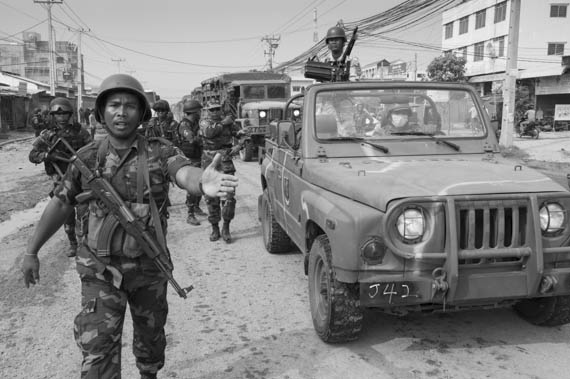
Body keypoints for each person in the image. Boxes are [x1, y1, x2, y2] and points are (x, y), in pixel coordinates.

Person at [21, 74, 238, 379]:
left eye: (129, 106)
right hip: (100, 272)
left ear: (141, 113)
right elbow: (60, 203)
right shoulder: (86, 157)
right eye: (114, 105)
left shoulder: (159, 151)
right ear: (101, 112)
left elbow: (182, 171)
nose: (121, 112)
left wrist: (201, 181)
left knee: (150, 346)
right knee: (97, 355)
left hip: (148, 269)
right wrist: (32, 251)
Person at [29, 97, 92, 257]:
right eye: (58, 114)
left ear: (70, 114)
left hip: (79, 176)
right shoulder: (47, 135)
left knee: (84, 212)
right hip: (59, 178)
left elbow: (92, 151)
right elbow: (32, 155)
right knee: (66, 214)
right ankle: (72, 243)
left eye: (64, 114)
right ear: (53, 116)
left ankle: (85, 243)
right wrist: (46, 156)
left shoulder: (81, 132)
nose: (61, 117)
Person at [200, 100, 244, 243]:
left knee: (229, 197)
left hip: (226, 162)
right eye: (212, 110)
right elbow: (209, 133)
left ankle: (226, 227)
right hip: (209, 163)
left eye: (217, 109)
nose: (215, 112)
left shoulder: (229, 123)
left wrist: (240, 145)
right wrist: (224, 123)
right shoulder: (204, 122)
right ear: (207, 110)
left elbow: (242, 135)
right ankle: (215, 228)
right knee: (211, 197)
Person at [177, 99, 207, 225]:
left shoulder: (195, 123)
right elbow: (191, 139)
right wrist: (205, 139)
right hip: (189, 159)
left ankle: (196, 206)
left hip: (198, 157)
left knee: (201, 183)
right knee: (192, 185)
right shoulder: (185, 125)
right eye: (199, 111)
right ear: (194, 112)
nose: (200, 113)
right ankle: (190, 214)